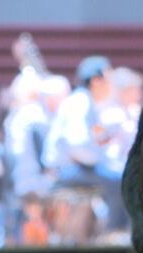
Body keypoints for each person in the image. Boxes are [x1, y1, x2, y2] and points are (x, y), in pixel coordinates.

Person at [42, 56, 124, 230]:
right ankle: (116, 231)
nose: (111, 86)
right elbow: (77, 144)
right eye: (108, 80)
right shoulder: (80, 103)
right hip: (67, 170)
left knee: (118, 172)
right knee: (121, 179)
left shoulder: (85, 102)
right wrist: (100, 161)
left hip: (76, 167)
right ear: (96, 81)